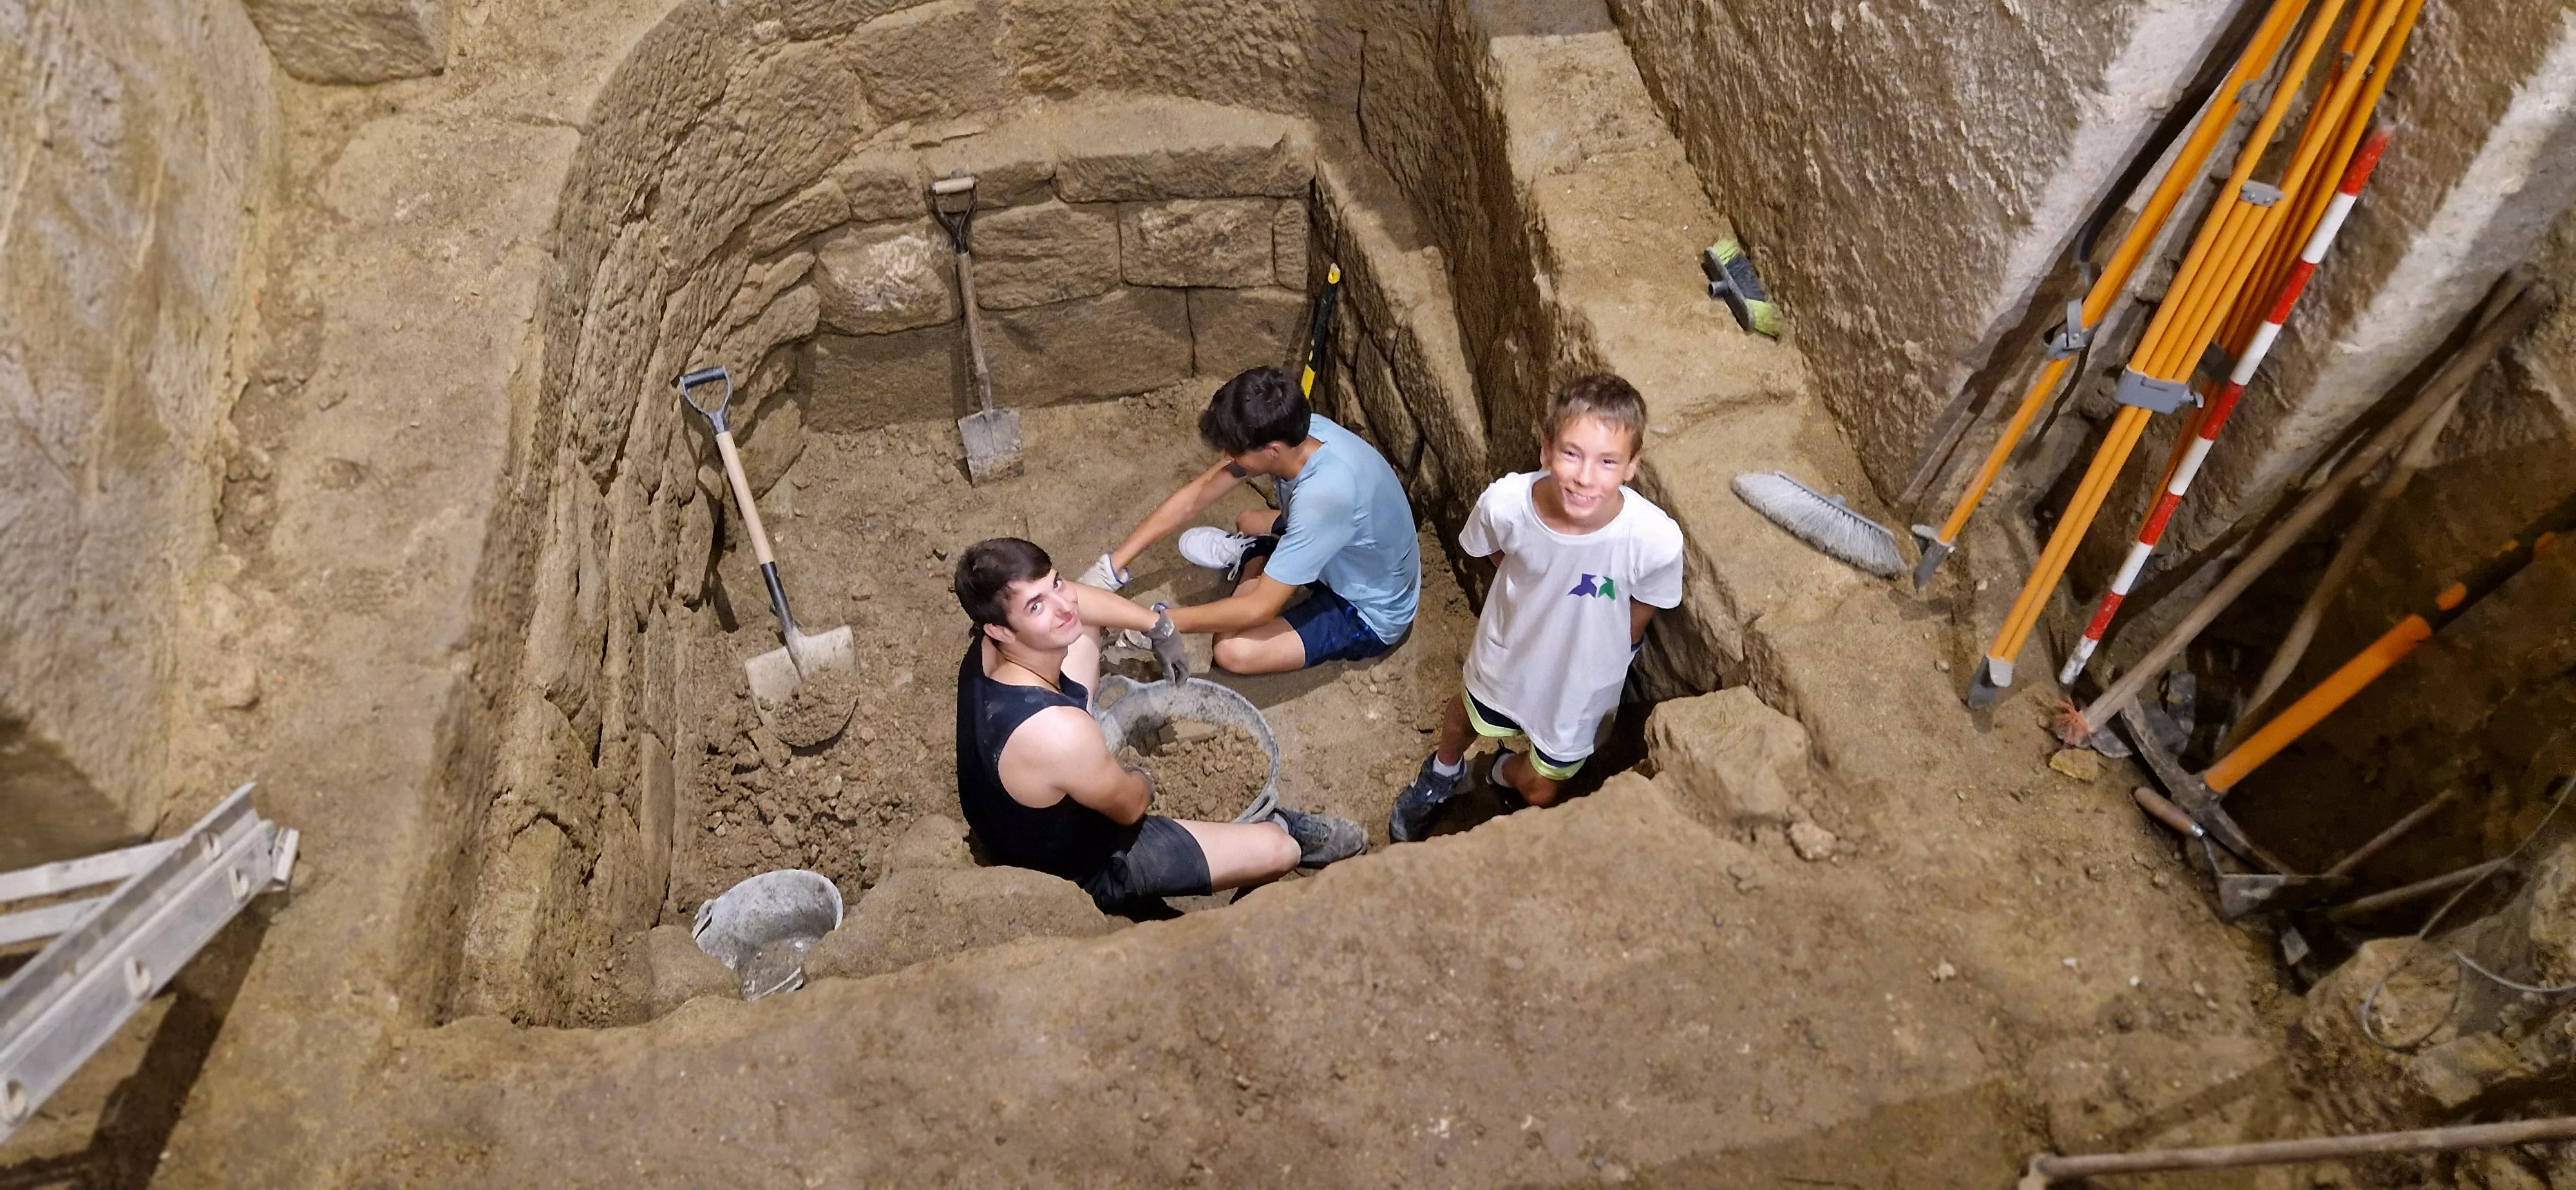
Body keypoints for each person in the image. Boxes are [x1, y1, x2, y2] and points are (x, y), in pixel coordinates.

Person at [953, 537, 1366, 916]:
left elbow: (1078, 601)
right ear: (999, 629)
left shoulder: (988, 648)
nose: (1063, 605)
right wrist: (1143, 778)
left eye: (1055, 583)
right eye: (1036, 606)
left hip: (1019, 811)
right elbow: (1132, 806)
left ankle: (1085, 775)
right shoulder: (1060, 732)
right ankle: (1250, 859)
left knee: (1085, 624)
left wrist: (1157, 626)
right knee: (1281, 851)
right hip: (1079, 863)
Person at [1388, 375, 1685, 842]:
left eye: (1608, 461)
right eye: (1572, 453)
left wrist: (1608, 651)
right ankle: (1443, 773)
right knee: (1467, 715)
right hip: (1508, 655)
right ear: (1546, 450)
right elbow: (1494, 553)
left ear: (1632, 466)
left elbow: (1645, 605)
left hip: (1581, 686)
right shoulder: (1506, 505)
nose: (1586, 477)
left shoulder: (1654, 540)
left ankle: (1502, 772)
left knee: (1542, 790)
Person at [1075, 366, 1421, 675]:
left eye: (1236, 453)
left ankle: (1257, 555)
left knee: (1232, 650)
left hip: (1367, 607)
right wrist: (1112, 567)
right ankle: (1264, 550)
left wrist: (1160, 622)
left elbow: (1259, 609)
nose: (1229, 459)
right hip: (1343, 548)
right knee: (1249, 519)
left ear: (1271, 450)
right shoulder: (1299, 430)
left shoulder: (1324, 498)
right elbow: (1195, 497)